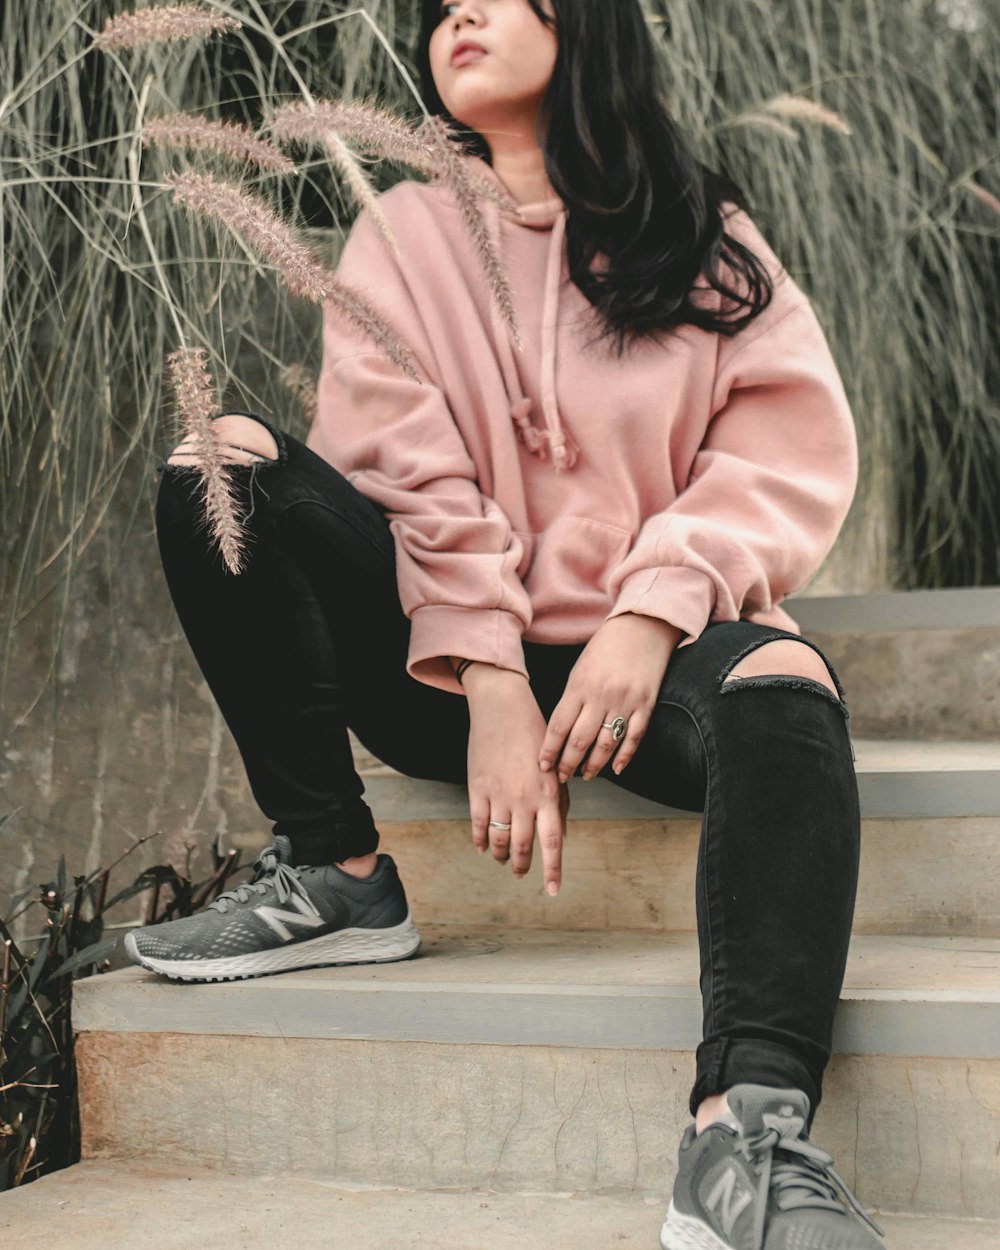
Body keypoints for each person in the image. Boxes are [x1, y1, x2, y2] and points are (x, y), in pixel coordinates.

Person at [125, 2, 886, 1246]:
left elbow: (780, 452)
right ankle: (338, 869)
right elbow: (404, 473)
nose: (457, 13)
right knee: (225, 461)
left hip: (640, 667)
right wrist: (486, 674)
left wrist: (649, 613)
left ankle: (739, 1132)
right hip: (441, 658)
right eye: (439, 7)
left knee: (790, 675)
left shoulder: (701, 235)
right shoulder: (401, 233)